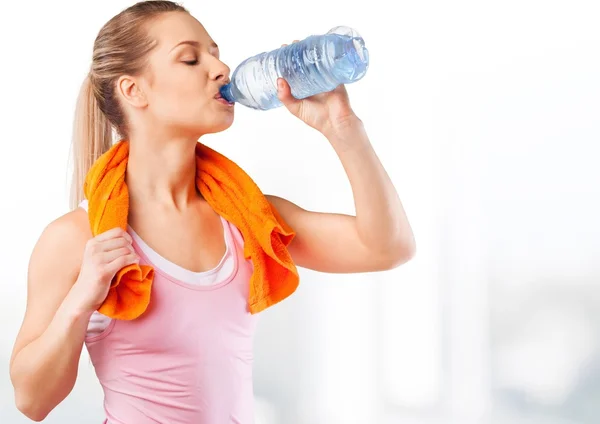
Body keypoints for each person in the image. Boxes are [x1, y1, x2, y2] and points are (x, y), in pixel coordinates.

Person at [9, 1, 415, 422]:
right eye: (190, 58)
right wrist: (80, 299)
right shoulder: (78, 239)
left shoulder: (248, 219)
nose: (220, 68)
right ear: (134, 91)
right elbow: (32, 401)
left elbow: (388, 248)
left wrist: (343, 128)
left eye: (215, 52)